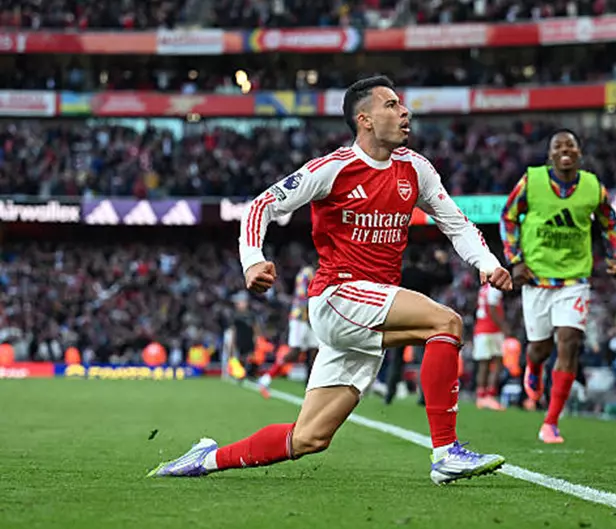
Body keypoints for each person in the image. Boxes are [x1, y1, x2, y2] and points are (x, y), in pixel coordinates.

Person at [148, 75, 513, 485]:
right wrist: (252, 260)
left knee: (309, 438)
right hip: (339, 297)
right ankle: (446, 453)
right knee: (445, 322)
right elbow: (261, 206)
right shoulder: (333, 168)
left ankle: (207, 458)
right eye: (391, 105)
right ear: (365, 119)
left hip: (371, 305)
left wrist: (486, 262)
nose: (404, 111)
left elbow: (456, 223)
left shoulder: (416, 168)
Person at [500, 129, 616, 443]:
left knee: (569, 342)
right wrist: (515, 260)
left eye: (570, 145)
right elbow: (508, 217)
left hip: (574, 280)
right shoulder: (531, 181)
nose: (565, 149)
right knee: (540, 348)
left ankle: (551, 421)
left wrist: (614, 256)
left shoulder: (593, 186)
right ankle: (533, 365)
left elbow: (609, 221)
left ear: (579, 153)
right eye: (558, 146)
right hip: (537, 278)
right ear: (550, 155)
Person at [383, 247, 453, 405]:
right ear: (421, 260)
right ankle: (423, 396)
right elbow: (447, 279)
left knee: (396, 359)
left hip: (400, 320)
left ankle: (389, 394)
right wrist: (444, 263)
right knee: (423, 360)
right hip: (421, 320)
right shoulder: (424, 275)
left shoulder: (401, 275)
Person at [259, 261, 319, 395]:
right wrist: (310, 314)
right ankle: (266, 377)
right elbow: (303, 297)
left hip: (311, 318)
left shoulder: (315, 273)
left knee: (314, 351)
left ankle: (310, 386)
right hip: (300, 318)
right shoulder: (306, 274)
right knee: (295, 351)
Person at [472, 282, 510, 410]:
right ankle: (489, 395)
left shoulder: (483, 288)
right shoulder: (494, 289)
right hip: (492, 330)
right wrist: (504, 327)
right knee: (497, 363)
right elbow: (492, 309)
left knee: (484, 364)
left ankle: (481, 396)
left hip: (481, 328)